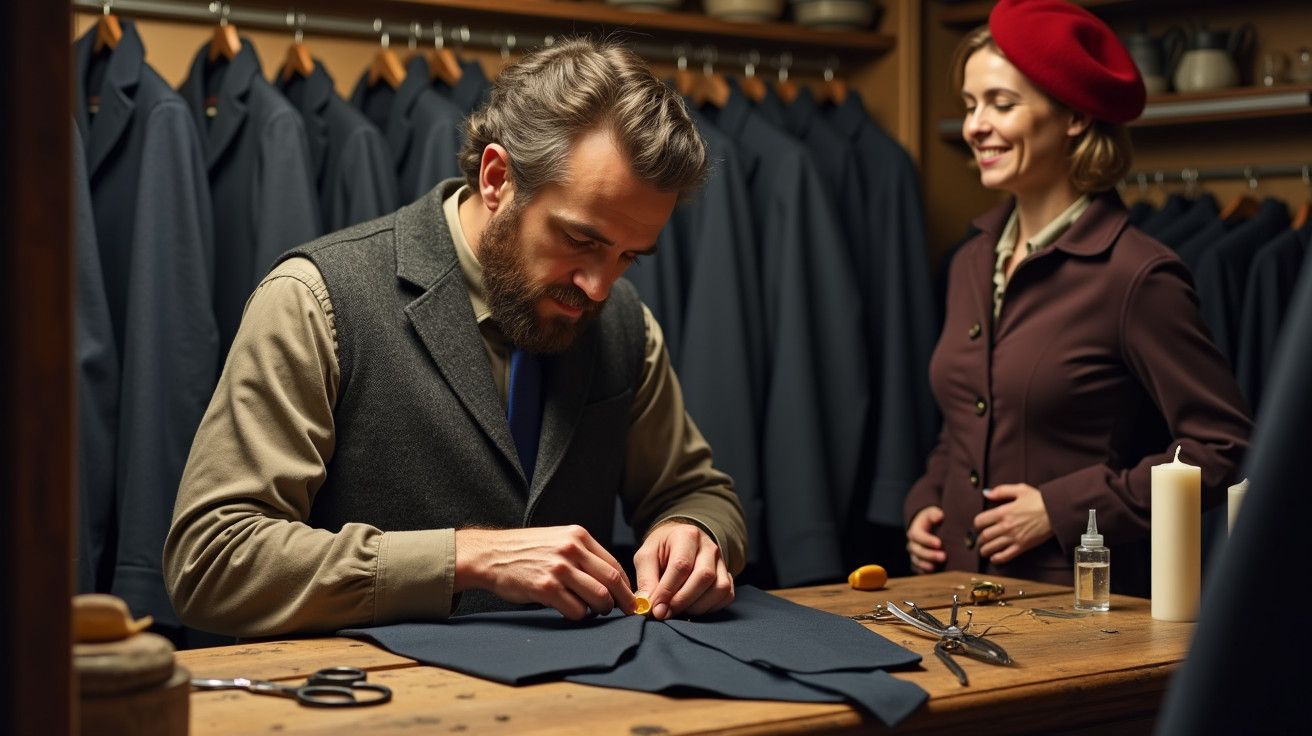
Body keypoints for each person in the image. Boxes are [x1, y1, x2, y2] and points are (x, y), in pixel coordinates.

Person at [163, 39, 746, 638]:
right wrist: (467, 559)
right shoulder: (314, 301)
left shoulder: (626, 325)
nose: (599, 288)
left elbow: (699, 493)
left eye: (629, 256)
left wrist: (695, 532)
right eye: (582, 240)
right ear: (497, 179)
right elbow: (212, 561)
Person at [904, 0, 1251, 592]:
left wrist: (1062, 510)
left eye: (1001, 104)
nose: (974, 126)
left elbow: (1223, 450)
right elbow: (968, 418)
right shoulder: (970, 260)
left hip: (1077, 610)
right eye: (969, 106)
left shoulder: (1137, 275)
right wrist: (926, 500)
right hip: (951, 596)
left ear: (1074, 118)